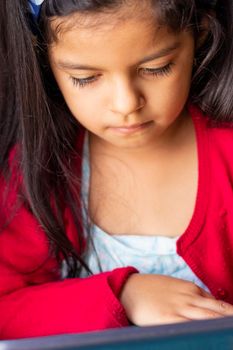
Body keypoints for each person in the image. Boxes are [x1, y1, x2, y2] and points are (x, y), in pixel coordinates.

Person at [0, 0, 233, 340]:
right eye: (86, 77)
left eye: (156, 68)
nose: (126, 104)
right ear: (44, 56)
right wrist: (123, 296)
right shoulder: (37, 171)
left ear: (200, 33)